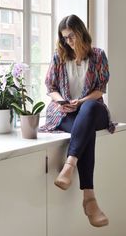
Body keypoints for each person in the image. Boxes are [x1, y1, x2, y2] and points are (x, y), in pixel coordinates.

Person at [41, 14, 115, 228]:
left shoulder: (98, 56)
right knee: (85, 133)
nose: (68, 42)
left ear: (81, 32)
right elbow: (51, 89)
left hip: (92, 109)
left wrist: (81, 101)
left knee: (89, 110)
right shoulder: (59, 57)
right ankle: (90, 199)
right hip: (66, 113)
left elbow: (100, 89)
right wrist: (62, 102)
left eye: (71, 36)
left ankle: (69, 165)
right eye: (64, 38)